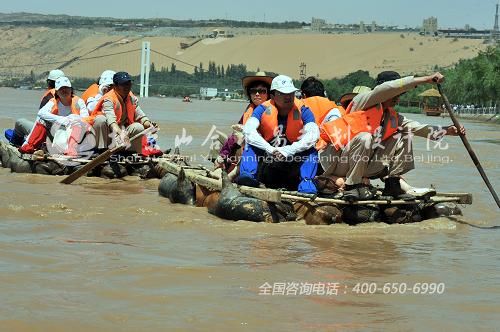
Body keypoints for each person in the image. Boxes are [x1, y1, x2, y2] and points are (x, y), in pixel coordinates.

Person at [319, 71, 465, 200]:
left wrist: (448, 130)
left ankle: (393, 183)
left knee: (404, 134)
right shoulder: (362, 101)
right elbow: (387, 89)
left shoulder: (393, 117)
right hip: (340, 162)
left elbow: (419, 129)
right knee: (365, 137)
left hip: (364, 165)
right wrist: (426, 79)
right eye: (396, 94)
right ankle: (353, 186)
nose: (398, 99)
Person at [238, 74, 319, 194]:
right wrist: (269, 149)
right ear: (273, 96)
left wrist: (289, 150)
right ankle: (248, 177)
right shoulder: (262, 109)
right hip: (268, 156)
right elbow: (249, 130)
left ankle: (306, 183)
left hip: (293, 156)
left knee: (312, 150)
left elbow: (313, 135)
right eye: (282, 94)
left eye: (291, 93)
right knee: (250, 145)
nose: (288, 97)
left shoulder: (303, 110)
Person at [214, 71, 273, 172]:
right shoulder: (249, 109)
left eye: (262, 91)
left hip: (261, 151)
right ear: (249, 93)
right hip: (244, 145)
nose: (257, 94)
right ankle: (219, 168)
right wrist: (223, 154)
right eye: (254, 91)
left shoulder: (271, 111)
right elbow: (235, 134)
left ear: (268, 93)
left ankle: (227, 171)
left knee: (233, 143)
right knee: (218, 138)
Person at [89, 71, 155, 154]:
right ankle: (101, 150)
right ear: (115, 86)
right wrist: (120, 133)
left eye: (128, 84)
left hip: (123, 135)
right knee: (100, 119)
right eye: (123, 84)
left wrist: (149, 124)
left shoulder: (131, 98)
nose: (127, 87)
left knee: (138, 127)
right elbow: (111, 121)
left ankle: (129, 152)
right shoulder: (109, 99)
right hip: (109, 134)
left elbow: (141, 116)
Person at [19, 76, 89, 154]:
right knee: (42, 120)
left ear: (71, 90)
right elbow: (41, 113)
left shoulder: (79, 102)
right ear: (57, 92)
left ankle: (71, 151)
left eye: (66, 88)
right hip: (56, 132)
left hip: (74, 133)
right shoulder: (53, 102)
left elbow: (85, 119)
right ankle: (29, 146)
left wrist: (73, 119)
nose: (64, 90)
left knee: (77, 123)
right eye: (61, 89)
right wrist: (61, 119)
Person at [5, 69, 66, 146]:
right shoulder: (71, 97)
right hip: (65, 137)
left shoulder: (49, 97)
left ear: (49, 83)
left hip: (48, 137)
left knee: (19, 123)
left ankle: (16, 146)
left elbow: (41, 122)